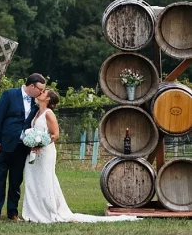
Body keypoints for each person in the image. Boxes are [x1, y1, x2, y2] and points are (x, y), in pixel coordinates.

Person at [22, 88, 139, 223]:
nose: (40, 93)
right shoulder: (37, 113)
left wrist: (40, 144)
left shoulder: (49, 114)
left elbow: (55, 134)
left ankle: (49, 211)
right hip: (34, 152)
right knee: (34, 179)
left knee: (45, 179)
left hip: (45, 151)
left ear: (47, 99)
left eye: (43, 93)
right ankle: (35, 211)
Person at [0, 73, 46, 222]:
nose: (41, 92)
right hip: (3, 145)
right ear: (32, 86)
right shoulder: (9, 95)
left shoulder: (35, 104)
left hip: (21, 147)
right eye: (40, 89)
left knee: (16, 181)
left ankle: (12, 212)